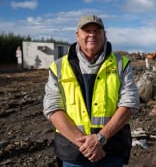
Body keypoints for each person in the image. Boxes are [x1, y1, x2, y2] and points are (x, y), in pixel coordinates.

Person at [43, 14, 140, 167]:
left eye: (96, 30)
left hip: (111, 150)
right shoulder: (59, 67)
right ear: (77, 34)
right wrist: (87, 145)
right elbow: (53, 107)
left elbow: (129, 103)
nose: (92, 35)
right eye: (86, 30)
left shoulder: (122, 64)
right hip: (73, 153)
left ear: (104, 34)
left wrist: (101, 138)